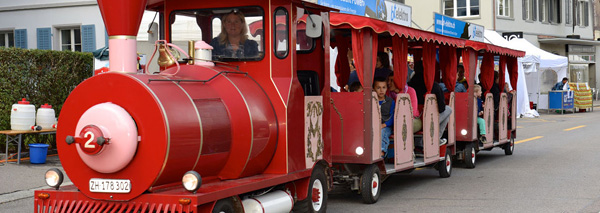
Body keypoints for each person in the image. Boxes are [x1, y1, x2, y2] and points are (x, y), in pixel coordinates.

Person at [408, 61, 452, 143]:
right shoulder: (434, 86)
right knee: (449, 109)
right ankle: (437, 137)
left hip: (412, 117)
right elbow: (442, 108)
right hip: (427, 118)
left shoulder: (409, 85)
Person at [374, 77, 395, 157]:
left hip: (386, 126)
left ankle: (382, 152)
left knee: (383, 132)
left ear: (387, 89)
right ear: (374, 89)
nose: (381, 90)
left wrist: (384, 125)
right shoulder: (372, 100)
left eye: (384, 87)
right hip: (374, 125)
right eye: (378, 88)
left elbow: (392, 116)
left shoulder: (390, 101)